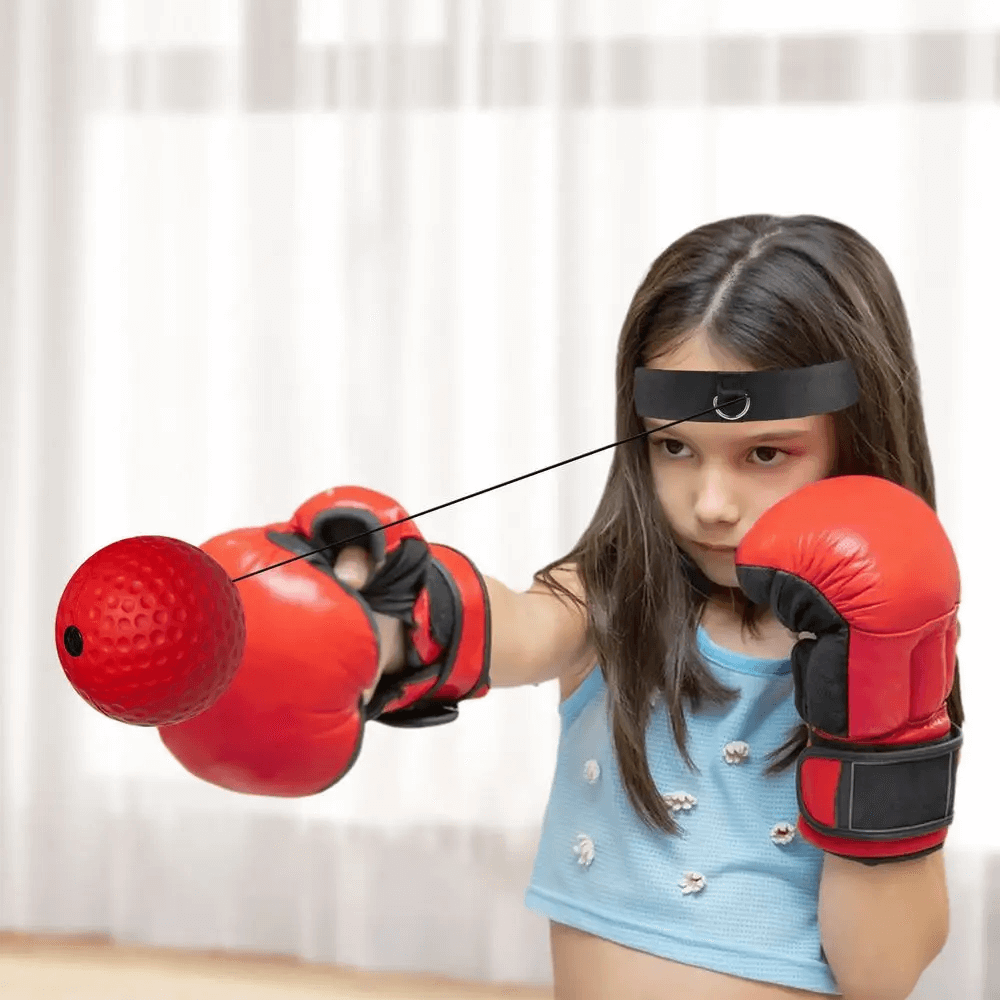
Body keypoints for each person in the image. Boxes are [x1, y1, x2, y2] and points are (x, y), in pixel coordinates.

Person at [159, 214, 964, 999]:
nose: (710, 503)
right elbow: (519, 628)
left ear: (856, 437)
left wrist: (881, 724)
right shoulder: (619, 594)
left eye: (764, 453)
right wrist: (391, 609)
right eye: (673, 446)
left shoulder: (890, 642)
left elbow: (882, 974)